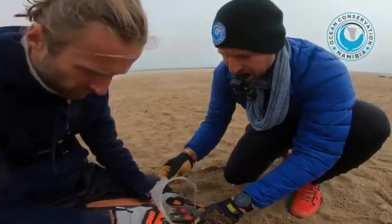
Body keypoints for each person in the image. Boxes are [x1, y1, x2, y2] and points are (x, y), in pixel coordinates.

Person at [160, 0, 391, 222]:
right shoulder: (226, 74)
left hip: (318, 125)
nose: (232, 66)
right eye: (224, 55)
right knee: (237, 174)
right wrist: (189, 154)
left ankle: (311, 181)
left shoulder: (326, 72)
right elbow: (215, 120)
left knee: (372, 124)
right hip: (276, 124)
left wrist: (238, 205)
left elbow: (318, 151)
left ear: (273, 47)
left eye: (243, 56)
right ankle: (288, 155)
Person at [0, 0, 164, 223]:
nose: (101, 89)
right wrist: (105, 220)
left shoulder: (94, 80)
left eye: (112, 75)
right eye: (89, 71)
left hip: (74, 177)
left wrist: (148, 191)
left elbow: (105, 142)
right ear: (37, 40)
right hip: (10, 195)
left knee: (175, 208)